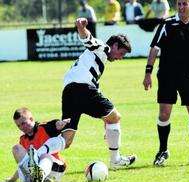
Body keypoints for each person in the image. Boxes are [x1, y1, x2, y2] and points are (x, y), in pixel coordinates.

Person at [35, 17, 136, 169]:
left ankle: (36, 156)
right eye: (121, 53)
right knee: (115, 117)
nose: (120, 58)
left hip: (69, 92)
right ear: (114, 45)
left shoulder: (94, 61)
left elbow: (95, 87)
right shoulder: (103, 48)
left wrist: (106, 122)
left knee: (66, 139)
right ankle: (115, 160)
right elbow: (88, 39)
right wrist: (81, 27)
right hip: (83, 89)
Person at [143, 0, 189, 166]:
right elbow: (154, 48)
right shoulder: (167, 24)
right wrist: (148, 73)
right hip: (168, 76)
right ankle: (162, 151)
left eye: (184, 4)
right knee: (164, 114)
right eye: (179, 4)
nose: (181, 7)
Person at [6, 107, 69, 182]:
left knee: (44, 155)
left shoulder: (44, 128)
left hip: (54, 167)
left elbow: (55, 124)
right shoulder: (22, 140)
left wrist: (59, 124)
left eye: (23, 123)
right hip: (35, 169)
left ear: (31, 119)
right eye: (18, 126)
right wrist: (12, 179)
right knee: (16, 149)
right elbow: (24, 163)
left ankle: (38, 177)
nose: (22, 127)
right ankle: (37, 179)